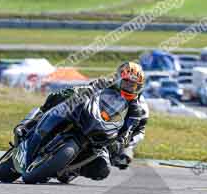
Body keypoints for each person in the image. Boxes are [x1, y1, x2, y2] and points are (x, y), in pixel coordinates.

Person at [14, 61, 149, 182]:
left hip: (106, 133)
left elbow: (134, 130)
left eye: (133, 85)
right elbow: (87, 88)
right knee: (60, 97)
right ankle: (31, 123)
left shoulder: (139, 107)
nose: (129, 87)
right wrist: (75, 93)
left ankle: (70, 169)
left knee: (102, 170)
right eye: (127, 82)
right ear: (119, 78)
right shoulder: (106, 83)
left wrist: (123, 147)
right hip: (86, 114)